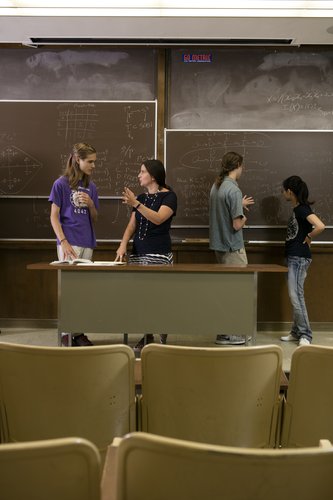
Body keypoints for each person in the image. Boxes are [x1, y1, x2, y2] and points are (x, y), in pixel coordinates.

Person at [115, 159, 177, 352]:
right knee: (141, 299)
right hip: (138, 254)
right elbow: (132, 225)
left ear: (153, 175)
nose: (139, 175)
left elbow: (158, 218)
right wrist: (123, 244)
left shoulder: (169, 196)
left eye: (142, 172)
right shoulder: (141, 197)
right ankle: (146, 336)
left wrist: (136, 203)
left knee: (157, 298)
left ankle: (161, 338)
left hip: (158, 254)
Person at [49, 142, 99, 347]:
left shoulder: (91, 187)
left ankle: (79, 333)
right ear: (77, 160)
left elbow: (94, 217)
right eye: (90, 161)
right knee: (68, 291)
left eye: (94, 162)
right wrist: (63, 241)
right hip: (69, 242)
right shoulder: (61, 184)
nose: (93, 166)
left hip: (87, 242)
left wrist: (90, 204)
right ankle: (66, 334)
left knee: (83, 291)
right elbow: (53, 216)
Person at [209, 151, 254, 346]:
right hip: (232, 248)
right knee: (238, 292)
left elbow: (223, 207)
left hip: (219, 246)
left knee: (226, 291)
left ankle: (224, 332)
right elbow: (236, 224)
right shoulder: (233, 190)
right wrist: (245, 217)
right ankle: (232, 334)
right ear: (238, 166)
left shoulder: (217, 186)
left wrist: (239, 204)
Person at [280, 175, 325, 346]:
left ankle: (306, 334)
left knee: (296, 296)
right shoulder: (298, 209)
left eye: (284, 190)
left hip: (298, 258)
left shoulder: (302, 210)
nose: (282, 193)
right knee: (295, 296)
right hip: (294, 257)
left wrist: (308, 236)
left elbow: (320, 225)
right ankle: (296, 332)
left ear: (290, 192)